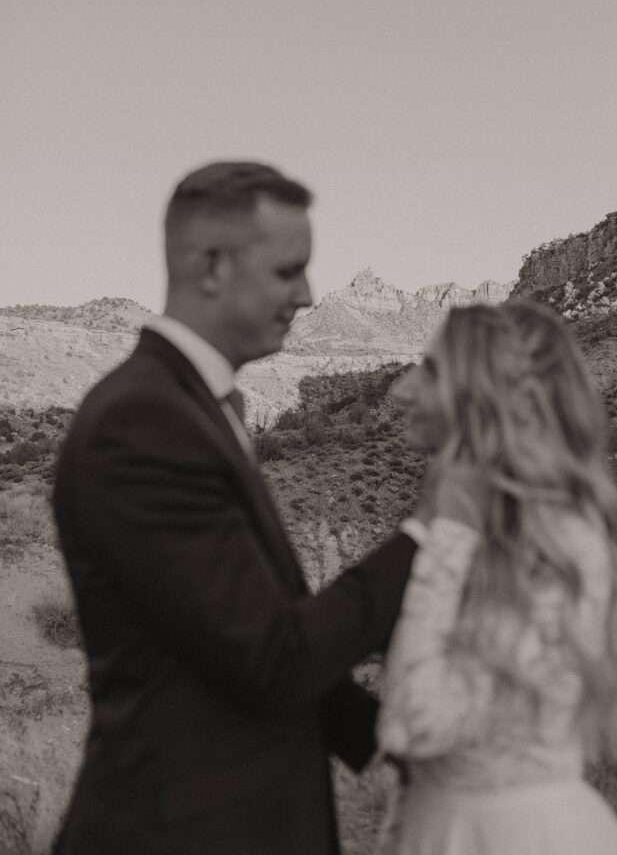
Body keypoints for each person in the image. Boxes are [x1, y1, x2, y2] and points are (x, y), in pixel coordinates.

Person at [51, 162, 423, 855]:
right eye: (289, 271)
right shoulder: (142, 420)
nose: (309, 295)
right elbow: (269, 657)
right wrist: (432, 531)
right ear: (211, 265)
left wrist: (379, 746)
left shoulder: (196, 409)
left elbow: (229, 629)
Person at [376, 300, 617, 855]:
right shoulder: (497, 534)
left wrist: (448, 527)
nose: (403, 391)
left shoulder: (561, 549)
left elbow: (410, 725)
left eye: (430, 370)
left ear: (480, 398)